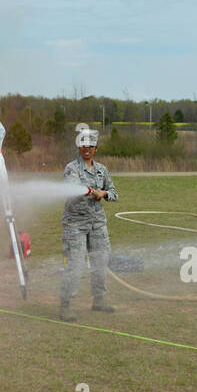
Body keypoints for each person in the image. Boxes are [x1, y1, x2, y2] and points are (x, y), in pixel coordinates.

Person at [60, 126, 118, 322]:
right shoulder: (72, 168)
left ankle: (99, 300)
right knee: (75, 266)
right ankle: (65, 306)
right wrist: (91, 191)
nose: (87, 148)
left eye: (91, 145)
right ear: (79, 147)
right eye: (83, 145)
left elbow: (114, 193)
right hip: (75, 225)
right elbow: (73, 187)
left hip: (97, 225)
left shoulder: (102, 170)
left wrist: (105, 194)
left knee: (100, 262)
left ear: (96, 148)